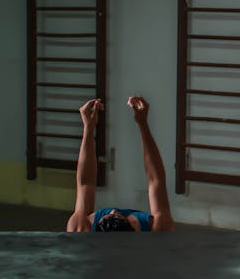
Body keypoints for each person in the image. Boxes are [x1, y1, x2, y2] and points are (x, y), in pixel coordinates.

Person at [65, 96, 175, 232]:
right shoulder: (159, 227)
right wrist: (143, 123)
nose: (112, 211)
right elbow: (156, 179)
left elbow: (86, 183)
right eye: (117, 216)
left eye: (107, 215)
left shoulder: (80, 227)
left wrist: (88, 128)